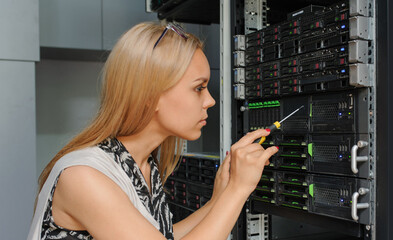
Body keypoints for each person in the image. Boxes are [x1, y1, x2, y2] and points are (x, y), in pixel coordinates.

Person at [27, 22, 278, 240]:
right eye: (199, 88)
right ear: (150, 95)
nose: (210, 101)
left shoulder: (142, 165)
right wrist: (237, 190)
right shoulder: (84, 177)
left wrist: (219, 200)